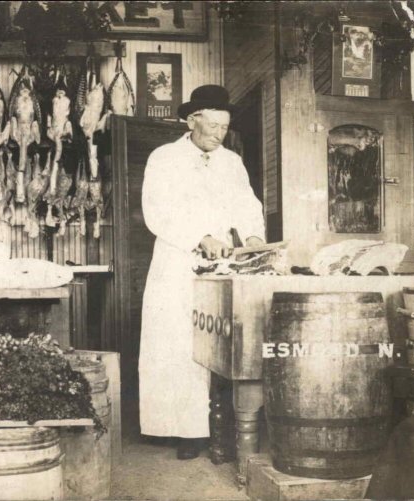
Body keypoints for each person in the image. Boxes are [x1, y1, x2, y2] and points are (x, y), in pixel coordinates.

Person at [139, 85, 266, 460]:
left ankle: (222, 428)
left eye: (223, 128)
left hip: (222, 263)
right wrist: (200, 236)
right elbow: (156, 210)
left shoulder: (231, 162)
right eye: (211, 126)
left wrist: (255, 235)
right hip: (177, 260)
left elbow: (247, 204)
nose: (217, 134)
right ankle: (184, 431)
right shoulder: (164, 157)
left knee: (219, 343)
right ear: (192, 120)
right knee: (177, 344)